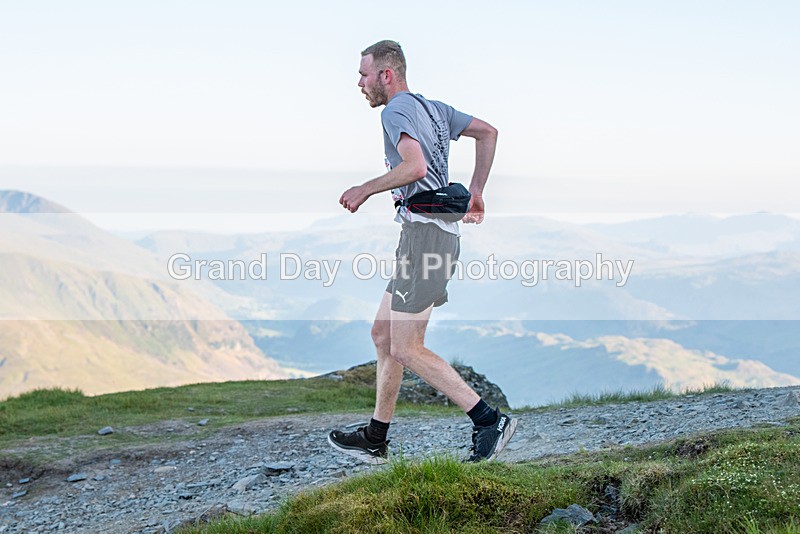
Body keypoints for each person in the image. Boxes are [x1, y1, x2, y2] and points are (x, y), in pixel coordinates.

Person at [328, 40, 516, 464]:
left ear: (386, 75)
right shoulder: (434, 109)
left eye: (364, 74)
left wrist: (365, 189)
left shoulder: (396, 111)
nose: (360, 83)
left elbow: (415, 168)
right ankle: (376, 436)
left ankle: (489, 421)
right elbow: (488, 132)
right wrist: (478, 193)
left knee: (407, 347)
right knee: (383, 334)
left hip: (425, 241)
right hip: (427, 237)